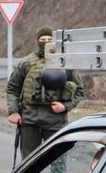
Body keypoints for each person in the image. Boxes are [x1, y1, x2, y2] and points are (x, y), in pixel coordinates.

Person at [7, 26, 84, 160]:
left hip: (55, 119)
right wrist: (13, 111)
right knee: (29, 161)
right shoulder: (26, 63)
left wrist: (65, 106)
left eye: (50, 39)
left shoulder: (64, 62)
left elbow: (79, 90)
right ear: (37, 41)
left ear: (55, 41)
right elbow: (13, 88)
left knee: (58, 160)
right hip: (29, 119)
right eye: (43, 39)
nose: (46, 42)